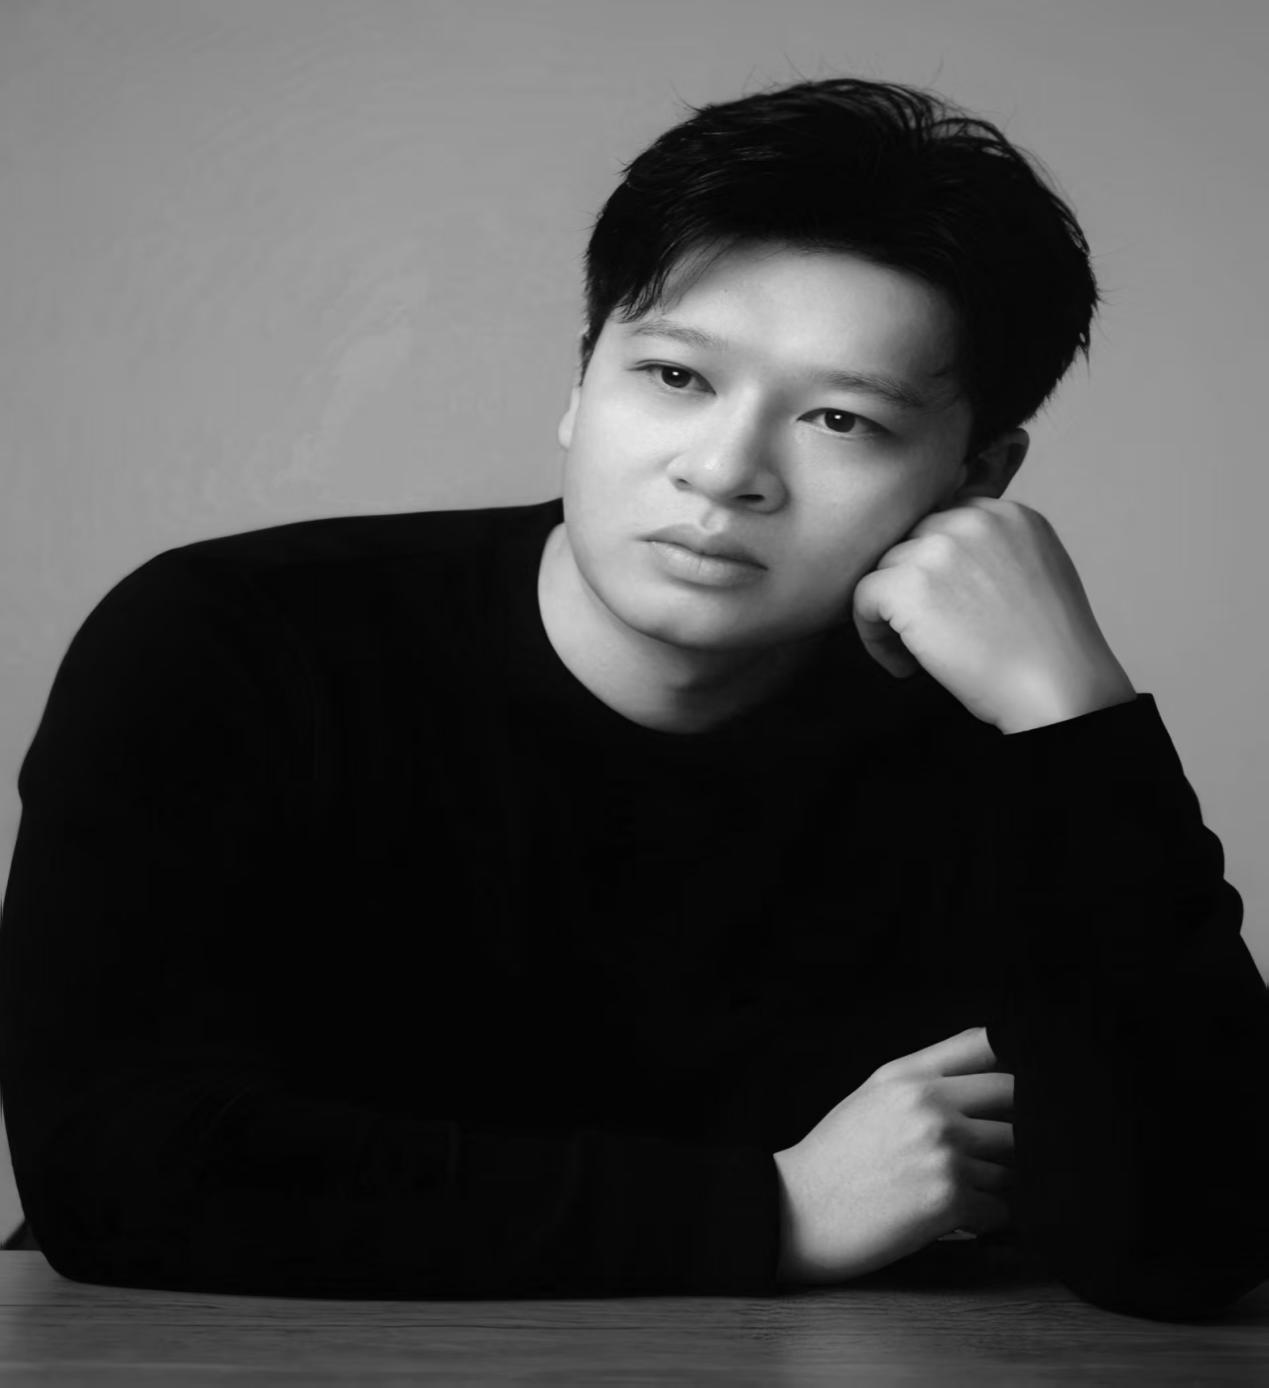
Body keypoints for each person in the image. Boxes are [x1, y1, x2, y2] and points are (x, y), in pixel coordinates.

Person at [1, 75, 1266, 1320]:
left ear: (977, 478)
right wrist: (775, 1210)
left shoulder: (996, 746)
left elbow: (1190, 1243)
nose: (724, 471)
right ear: (580, 380)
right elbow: (108, 1168)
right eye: (674, 378)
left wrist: (1076, 715)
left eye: (840, 419)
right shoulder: (232, 642)